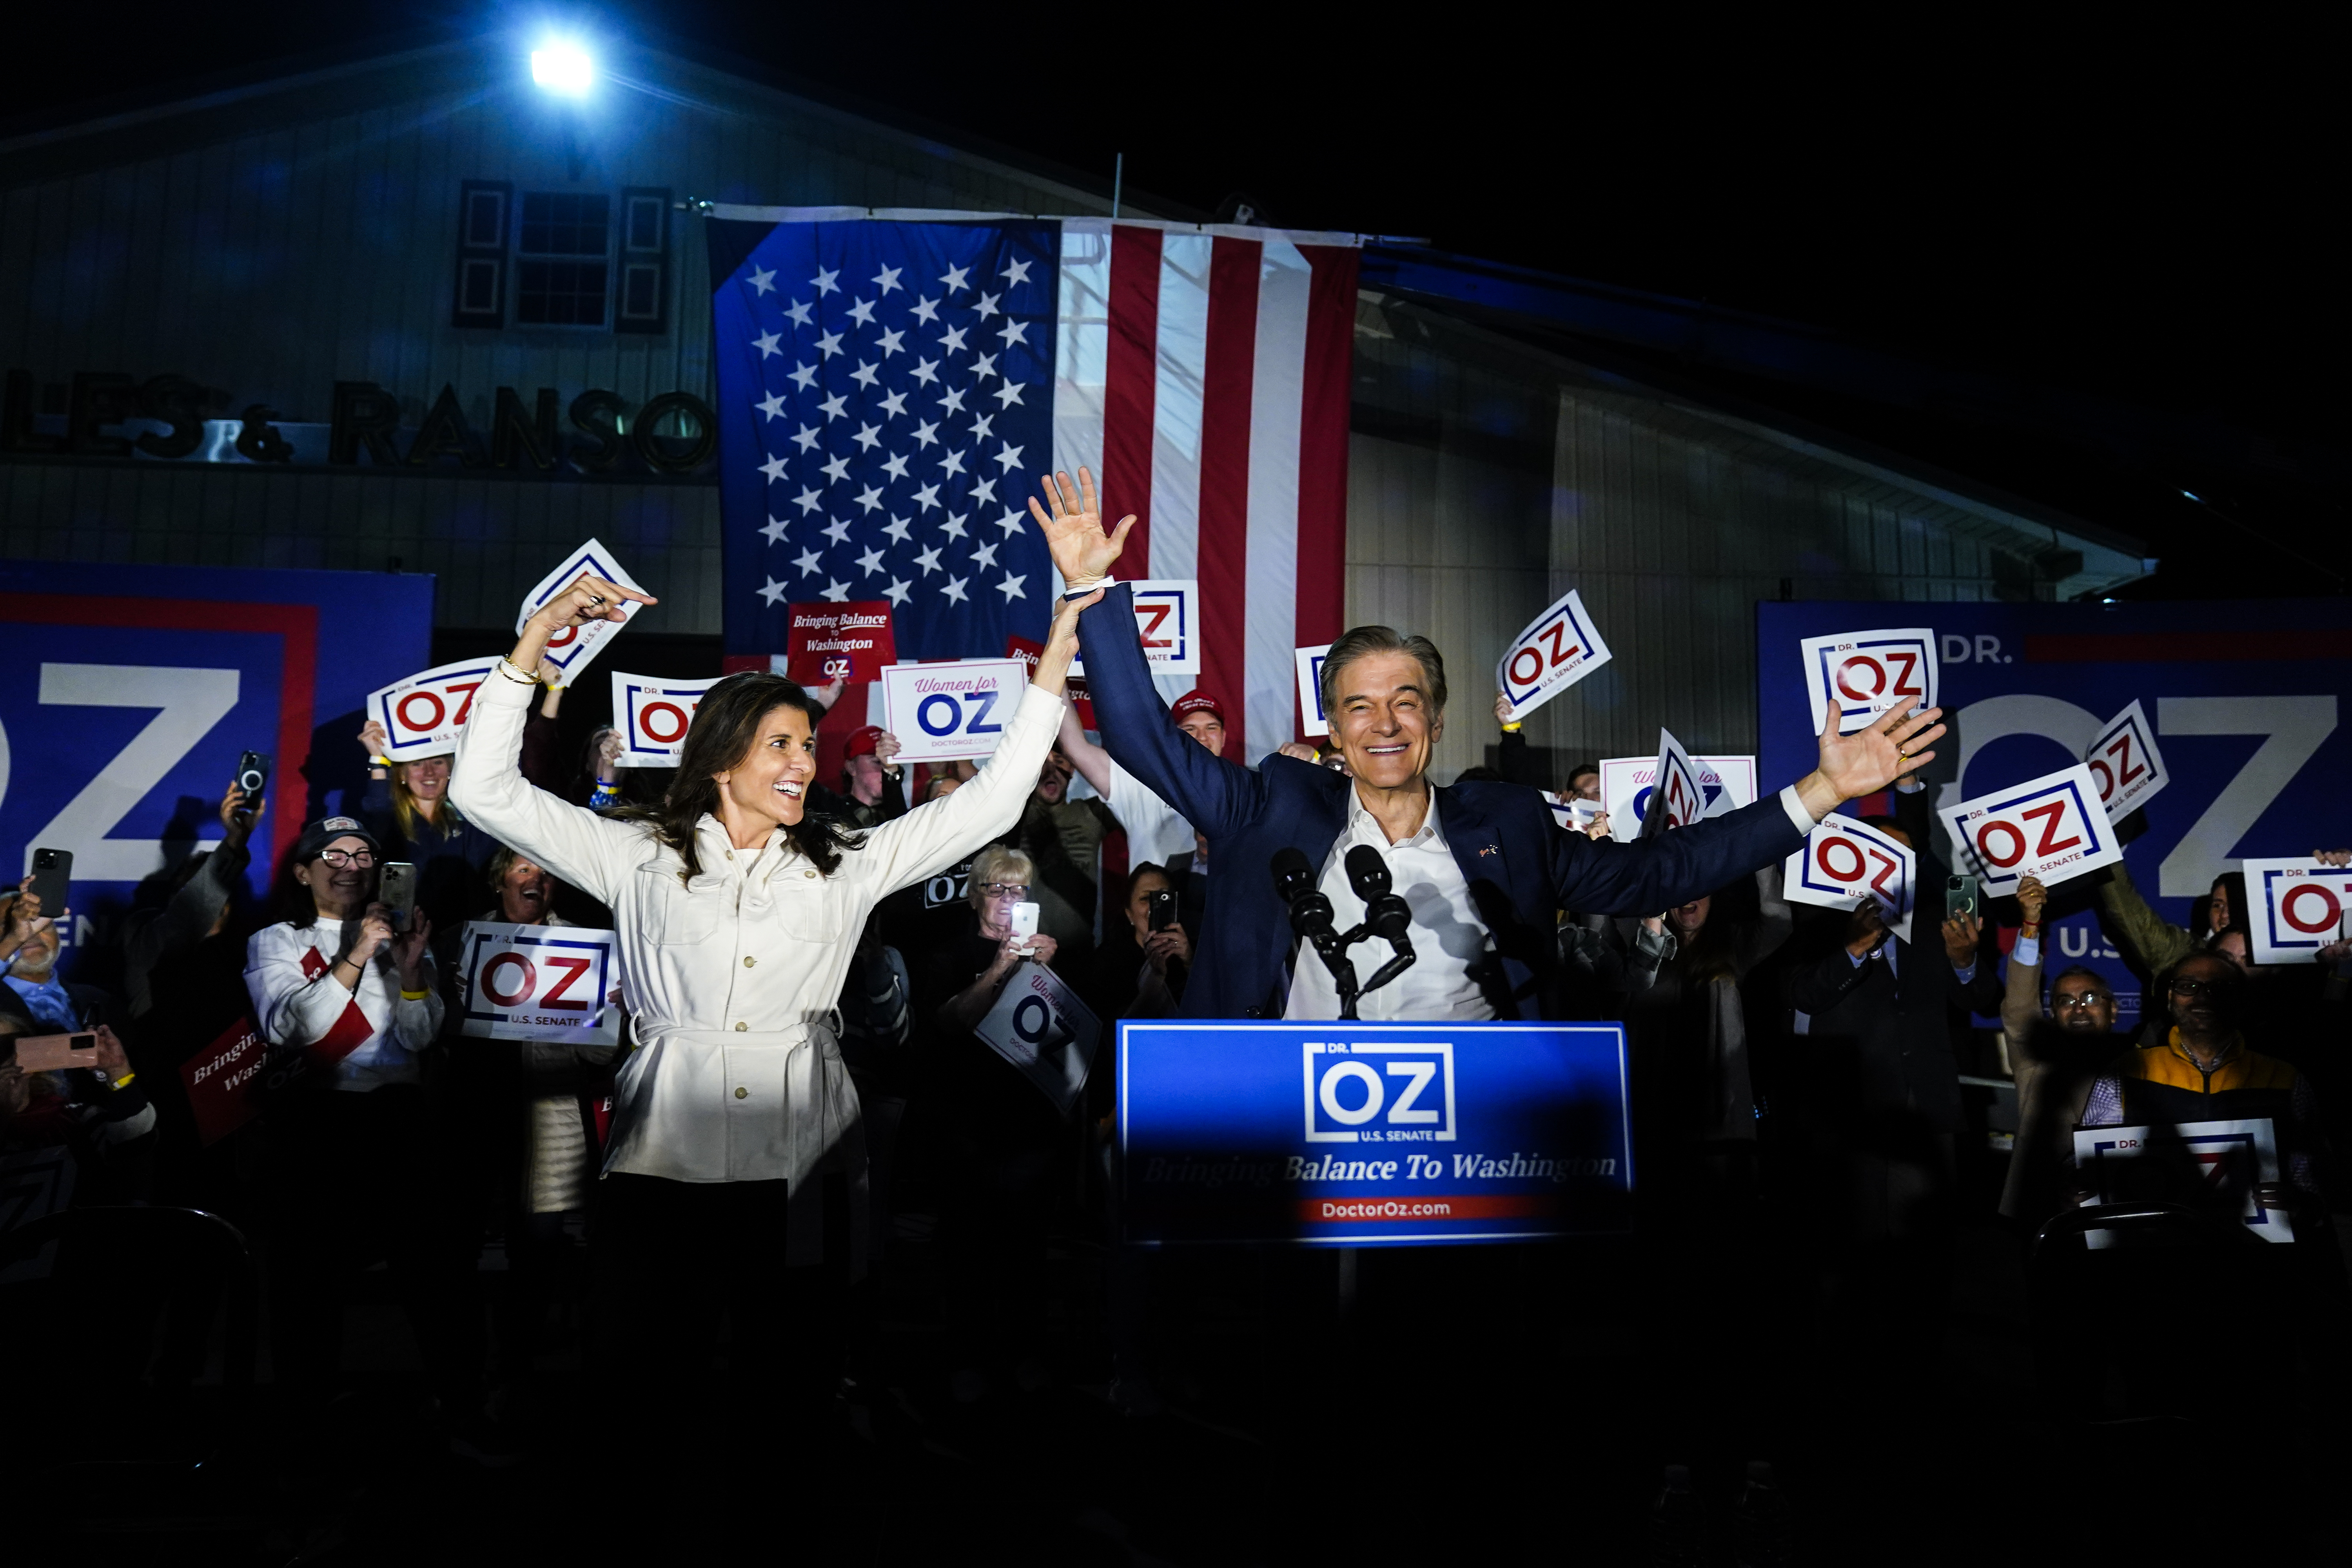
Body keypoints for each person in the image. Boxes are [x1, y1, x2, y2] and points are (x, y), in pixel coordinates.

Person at [445, 544, 1093, 1498]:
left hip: (802, 1170)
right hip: (658, 1167)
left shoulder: (850, 859)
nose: (803, 762)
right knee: (634, 1402)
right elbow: (484, 791)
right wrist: (530, 649)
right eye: (782, 744)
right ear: (720, 759)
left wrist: (1068, 620)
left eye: (805, 744)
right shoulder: (634, 855)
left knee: (785, 1408)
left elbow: (994, 794)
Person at [1040, 467, 1941, 1020]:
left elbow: (1657, 873)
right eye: (1359, 706)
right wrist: (1090, 585)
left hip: (1472, 1150)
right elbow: (1140, 735)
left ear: (1435, 721)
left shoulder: (1505, 822)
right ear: (1335, 729)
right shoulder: (1267, 802)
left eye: (1406, 702)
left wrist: (1821, 789)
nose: (1384, 722)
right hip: (1287, 1132)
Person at [243, 816, 477, 1431]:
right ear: (304, 871)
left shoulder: (396, 938)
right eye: (333, 854)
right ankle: (306, 1418)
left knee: (434, 1275)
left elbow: (420, 1036)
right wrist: (357, 953)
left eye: (363, 856)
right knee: (308, 1283)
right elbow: (294, 1029)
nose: (350, 865)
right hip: (318, 1119)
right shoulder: (279, 941)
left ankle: (461, 1408)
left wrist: (411, 972)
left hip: (397, 1115)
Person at [909, 843, 1074, 1401]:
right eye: (998, 889)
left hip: (1027, 1124)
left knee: (1026, 1253)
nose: (1009, 901)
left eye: (1019, 890)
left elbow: (1064, 1037)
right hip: (967, 1127)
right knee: (967, 1251)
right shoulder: (952, 952)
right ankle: (967, 1360)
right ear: (976, 893)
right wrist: (1000, 968)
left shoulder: (1045, 955)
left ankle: (1025, 1354)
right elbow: (951, 1021)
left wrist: (1043, 977)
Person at [2080, 950, 2329, 1199]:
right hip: (2155, 1235)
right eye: (2188, 987)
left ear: (2240, 1000)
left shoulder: (2284, 1078)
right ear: (2170, 998)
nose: (2202, 998)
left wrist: (2303, 1204)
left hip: (2249, 1238)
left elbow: (2312, 1173)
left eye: (2219, 988)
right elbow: (2091, 1160)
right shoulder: (2129, 1069)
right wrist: (2077, 1188)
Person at [1996, 873, 2123, 1221]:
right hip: (2042, 1215)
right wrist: (2031, 925)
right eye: (2066, 1001)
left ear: (2114, 1010)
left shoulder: (2141, 1067)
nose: (2079, 1008)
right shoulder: (2036, 1063)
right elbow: (2021, 1005)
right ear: (2053, 1015)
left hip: (2123, 1218)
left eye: (2091, 998)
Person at [120, 778, 259, 1021]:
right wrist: (235, 840)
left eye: (222, 898)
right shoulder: (146, 938)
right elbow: (185, 916)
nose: (214, 905)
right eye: (187, 892)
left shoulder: (246, 956)